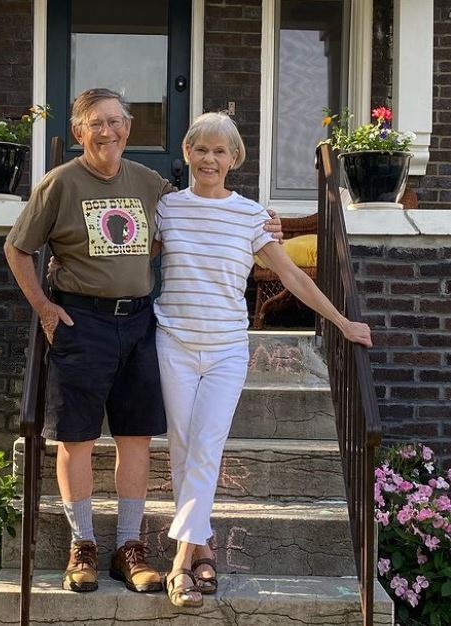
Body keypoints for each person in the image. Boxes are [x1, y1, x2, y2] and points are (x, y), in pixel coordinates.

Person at [4, 88, 284, 594]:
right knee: (78, 439)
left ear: (129, 128)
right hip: (81, 321)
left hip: (139, 323)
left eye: (115, 121)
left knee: (135, 438)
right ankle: (82, 545)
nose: (107, 132)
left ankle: (129, 548)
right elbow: (17, 248)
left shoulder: (149, 183)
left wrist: (266, 226)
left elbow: (193, 220)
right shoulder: (59, 184)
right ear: (78, 132)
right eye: (95, 123)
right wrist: (44, 308)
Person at [153, 112, 373, 608]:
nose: (210, 159)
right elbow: (130, 254)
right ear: (187, 152)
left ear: (235, 159)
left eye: (220, 151)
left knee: (206, 446)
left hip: (229, 347)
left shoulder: (252, 216)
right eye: (201, 149)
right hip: (175, 342)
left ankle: (179, 564)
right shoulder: (167, 208)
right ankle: (204, 546)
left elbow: (294, 277)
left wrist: (341, 321)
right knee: (184, 446)